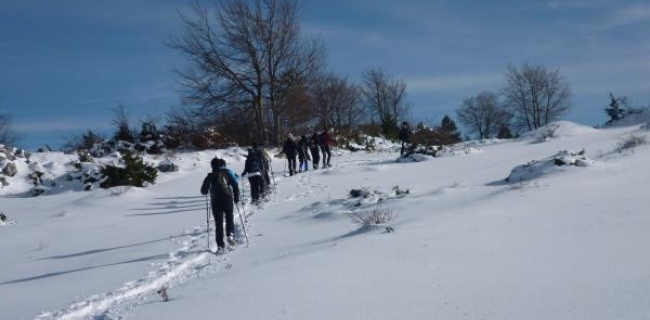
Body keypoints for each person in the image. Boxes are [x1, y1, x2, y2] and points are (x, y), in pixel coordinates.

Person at [200, 158, 240, 252]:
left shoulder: (209, 176)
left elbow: (203, 191)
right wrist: (236, 197)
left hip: (216, 201)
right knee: (229, 217)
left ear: (212, 166)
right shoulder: (226, 173)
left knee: (218, 224)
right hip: (227, 199)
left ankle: (220, 246)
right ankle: (230, 234)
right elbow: (235, 185)